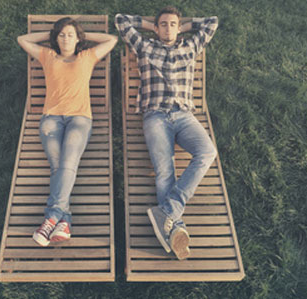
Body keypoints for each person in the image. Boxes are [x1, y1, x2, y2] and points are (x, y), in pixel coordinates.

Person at [115, 6, 219, 260]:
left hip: (184, 115)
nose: (168, 28)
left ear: (179, 27)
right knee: (164, 169)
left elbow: (212, 22)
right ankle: (175, 226)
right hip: (155, 115)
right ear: (157, 27)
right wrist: (150, 25)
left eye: (173, 24)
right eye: (163, 24)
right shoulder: (145, 46)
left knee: (208, 152)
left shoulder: (190, 46)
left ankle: (169, 212)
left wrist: (183, 26)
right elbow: (120, 21)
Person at [17, 17, 117, 247]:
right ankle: (64, 222)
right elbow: (22, 39)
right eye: (61, 35)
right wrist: (51, 34)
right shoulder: (47, 56)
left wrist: (83, 35)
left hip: (80, 119)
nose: (65, 38)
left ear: (78, 38)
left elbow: (112, 39)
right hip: (51, 119)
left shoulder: (87, 57)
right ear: (55, 38)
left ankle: (51, 217)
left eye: (70, 34)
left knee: (68, 163)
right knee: (58, 168)